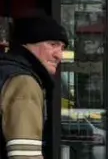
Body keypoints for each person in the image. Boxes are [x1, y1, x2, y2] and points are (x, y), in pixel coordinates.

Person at [0, 15, 68, 159]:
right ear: (28, 43)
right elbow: (24, 154)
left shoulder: (6, 72)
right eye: (53, 44)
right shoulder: (24, 83)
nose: (59, 56)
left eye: (62, 48)